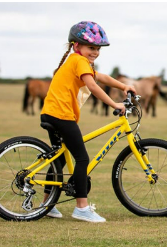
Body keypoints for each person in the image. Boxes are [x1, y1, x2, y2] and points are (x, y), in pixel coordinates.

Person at [40, 21, 136, 223]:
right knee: (82, 159)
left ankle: (46, 204)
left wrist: (123, 86)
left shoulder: (77, 61)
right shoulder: (79, 61)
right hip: (61, 115)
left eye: (98, 49)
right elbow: (92, 85)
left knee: (57, 158)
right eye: (91, 47)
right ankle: (81, 208)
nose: (95, 52)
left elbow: (100, 76)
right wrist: (114, 104)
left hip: (51, 113)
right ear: (77, 46)